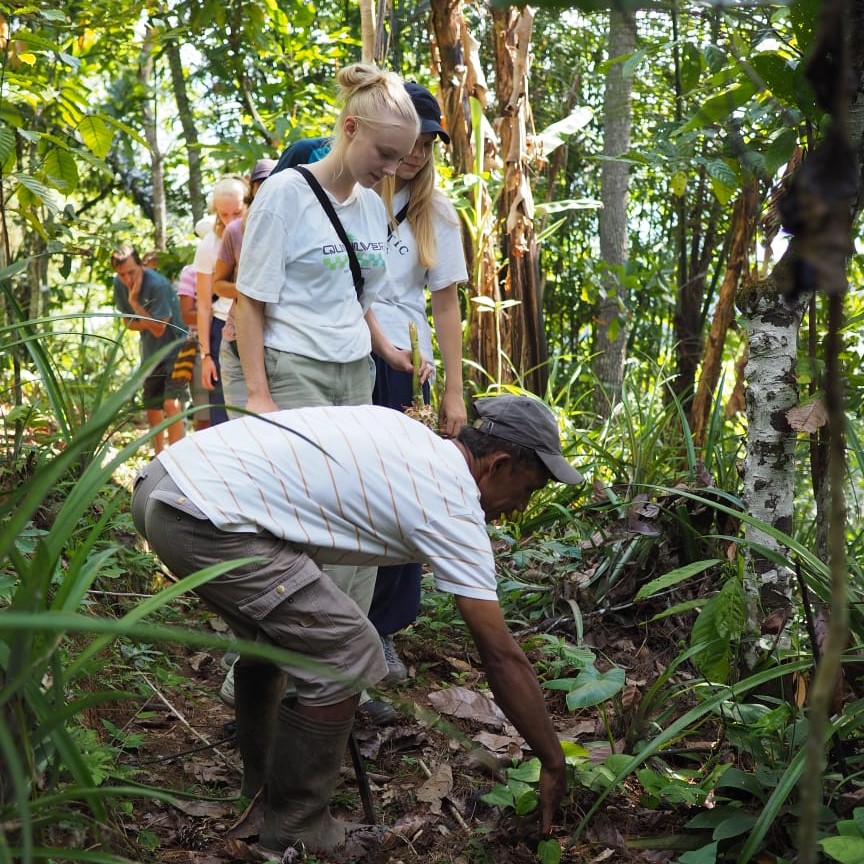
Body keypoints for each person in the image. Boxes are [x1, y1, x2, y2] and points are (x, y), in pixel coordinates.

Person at [130, 393, 582, 855]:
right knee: (350, 649)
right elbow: (499, 653)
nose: (522, 507)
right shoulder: (451, 504)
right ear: (500, 464)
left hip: (164, 484)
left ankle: (263, 792)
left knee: (279, 640)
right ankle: (296, 827)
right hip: (202, 514)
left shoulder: (409, 439)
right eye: (530, 489)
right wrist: (552, 759)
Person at [234, 63, 422, 622]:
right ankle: (266, 664)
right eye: (384, 154)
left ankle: (341, 665)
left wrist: (386, 349)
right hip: (295, 369)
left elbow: (356, 294)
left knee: (356, 518)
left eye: (401, 158)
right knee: (300, 521)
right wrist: (259, 394)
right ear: (348, 128)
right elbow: (250, 301)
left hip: (353, 374)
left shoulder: (368, 204)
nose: (391, 169)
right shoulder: (286, 195)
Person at [368, 82, 468, 703]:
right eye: (413, 138)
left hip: (409, 365)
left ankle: (384, 626)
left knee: (401, 496)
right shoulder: (349, 192)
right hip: (345, 350)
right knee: (348, 485)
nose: (419, 152)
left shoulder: (438, 212)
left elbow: (447, 301)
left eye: (430, 141)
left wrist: (454, 391)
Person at [213, 158, 277, 419]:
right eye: (258, 188)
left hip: (280, 345)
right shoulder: (236, 231)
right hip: (236, 341)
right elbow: (218, 284)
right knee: (240, 427)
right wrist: (249, 291)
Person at [111, 245, 187, 454]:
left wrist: (135, 303)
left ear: (141, 266)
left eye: (131, 272)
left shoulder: (158, 285)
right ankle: (159, 456)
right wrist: (149, 321)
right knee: (153, 406)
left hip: (177, 347)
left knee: (171, 404)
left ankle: (178, 458)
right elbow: (128, 324)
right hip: (151, 353)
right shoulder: (118, 284)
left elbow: (160, 329)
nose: (127, 280)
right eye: (122, 274)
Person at [194, 175, 248, 426]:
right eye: (223, 215)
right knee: (223, 413)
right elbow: (203, 304)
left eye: (236, 213)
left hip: (258, 324)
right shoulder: (209, 245)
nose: (230, 222)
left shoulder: (258, 232)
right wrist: (206, 355)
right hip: (221, 330)